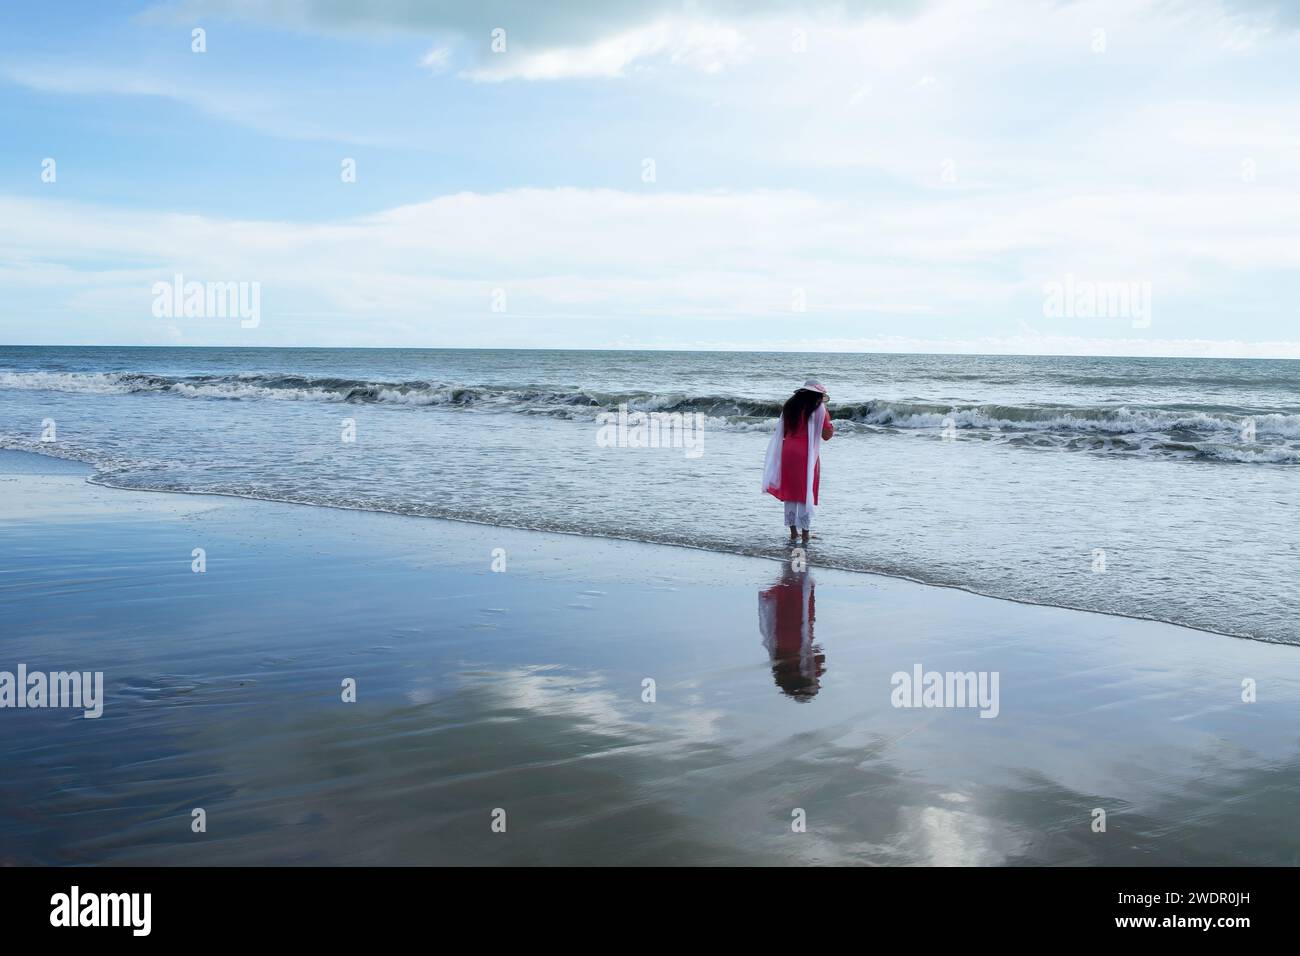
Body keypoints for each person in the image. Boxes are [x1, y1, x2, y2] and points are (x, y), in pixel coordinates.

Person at [762, 379, 834, 544]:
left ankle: (794, 532)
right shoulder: (819, 409)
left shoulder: (789, 406)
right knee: (805, 491)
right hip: (806, 454)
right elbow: (826, 435)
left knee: (791, 492)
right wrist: (832, 427)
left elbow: (785, 431)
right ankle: (806, 534)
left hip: (788, 451)